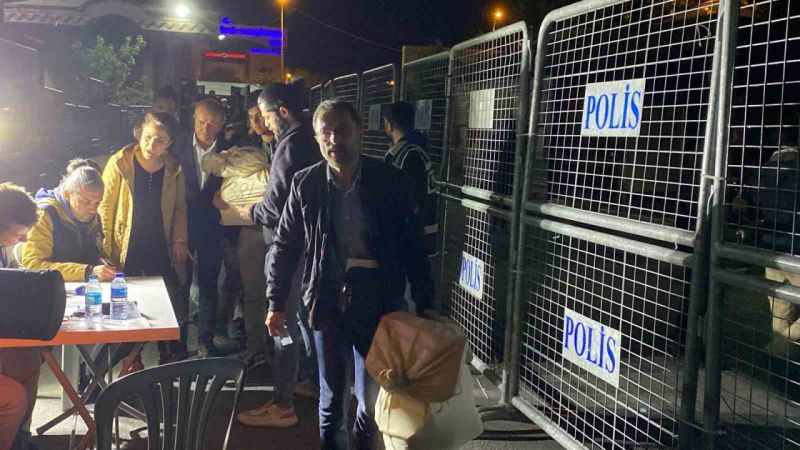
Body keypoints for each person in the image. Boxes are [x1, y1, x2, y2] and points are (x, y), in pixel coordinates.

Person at [264, 99, 434, 449]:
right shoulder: (306, 184)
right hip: (327, 301)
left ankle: (362, 441)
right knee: (331, 401)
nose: (333, 139)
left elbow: (412, 246)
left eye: (341, 130)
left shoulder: (391, 182)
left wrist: (425, 302)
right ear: (316, 138)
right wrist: (276, 302)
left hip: (378, 303)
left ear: (360, 132)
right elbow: (285, 246)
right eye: (325, 132)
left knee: (371, 401)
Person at [237, 83, 322, 428]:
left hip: (288, 249)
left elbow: (275, 205)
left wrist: (250, 211)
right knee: (302, 321)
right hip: (307, 248)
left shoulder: (291, 145)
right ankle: (310, 382)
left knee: (281, 324)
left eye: (266, 115)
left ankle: (282, 405)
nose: (265, 122)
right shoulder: (308, 141)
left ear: (282, 112)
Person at [98, 112, 190, 364]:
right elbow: (105, 206)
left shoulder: (174, 167)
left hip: (160, 242)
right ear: (138, 133)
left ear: (170, 143)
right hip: (126, 243)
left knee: (167, 300)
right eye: (148, 137)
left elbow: (180, 208)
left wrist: (180, 240)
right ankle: (130, 359)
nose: (151, 144)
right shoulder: (120, 162)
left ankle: (168, 358)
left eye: (160, 140)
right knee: (126, 301)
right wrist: (104, 247)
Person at [172, 98, 227, 357]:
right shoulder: (177, 147)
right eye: (202, 122)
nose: (206, 128)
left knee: (208, 284)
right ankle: (178, 344)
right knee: (180, 284)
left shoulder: (231, 152)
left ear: (222, 124)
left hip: (213, 229)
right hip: (181, 226)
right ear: (194, 118)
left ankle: (206, 340)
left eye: (212, 123)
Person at [382, 102, 439, 311]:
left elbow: (404, 200)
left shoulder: (404, 155)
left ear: (389, 124)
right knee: (421, 285)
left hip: (413, 234)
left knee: (411, 292)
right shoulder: (419, 149)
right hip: (426, 230)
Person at [19, 159, 114, 282]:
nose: (93, 209)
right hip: (48, 285)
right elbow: (33, 265)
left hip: (83, 285)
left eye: (97, 203)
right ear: (67, 194)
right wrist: (87, 271)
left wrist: (104, 265)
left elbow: (94, 255)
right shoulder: (44, 215)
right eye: (85, 202)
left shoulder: (93, 217)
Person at [0, 183, 41, 450]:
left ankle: (19, 439)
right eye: (19, 234)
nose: (24, 240)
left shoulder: (4, 247)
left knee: (30, 361)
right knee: (14, 396)